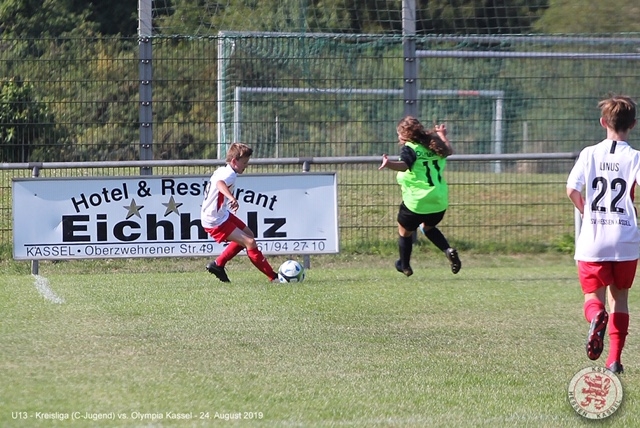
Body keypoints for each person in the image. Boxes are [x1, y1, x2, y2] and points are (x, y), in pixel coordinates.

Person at [566, 95, 640, 374]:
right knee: (620, 298)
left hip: (594, 238)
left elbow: (572, 189)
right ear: (632, 124)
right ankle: (614, 360)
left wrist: (586, 210)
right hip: (625, 239)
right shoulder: (635, 157)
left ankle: (597, 315)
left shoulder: (589, 154)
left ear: (603, 122)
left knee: (592, 296)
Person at [379, 115, 461, 277]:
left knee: (404, 232)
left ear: (405, 135)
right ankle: (447, 249)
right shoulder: (433, 143)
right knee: (427, 227)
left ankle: (405, 266)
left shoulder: (410, 148)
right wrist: (442, 135)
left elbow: (404, 165)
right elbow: (448, 150)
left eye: (398, 134)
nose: (398, 137)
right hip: (438, 200)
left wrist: (389, 164)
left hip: (417, 201)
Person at [201, 142, 278, 283]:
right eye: (244, 162)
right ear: (234, 161)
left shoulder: (223, 170)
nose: (246, 166)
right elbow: (219, 184)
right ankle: (274, 277)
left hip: (220, 214)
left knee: (249, 234)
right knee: (250, 242)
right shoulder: (230, 174)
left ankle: (218, 264)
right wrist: (231, 198)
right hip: (214, 219)